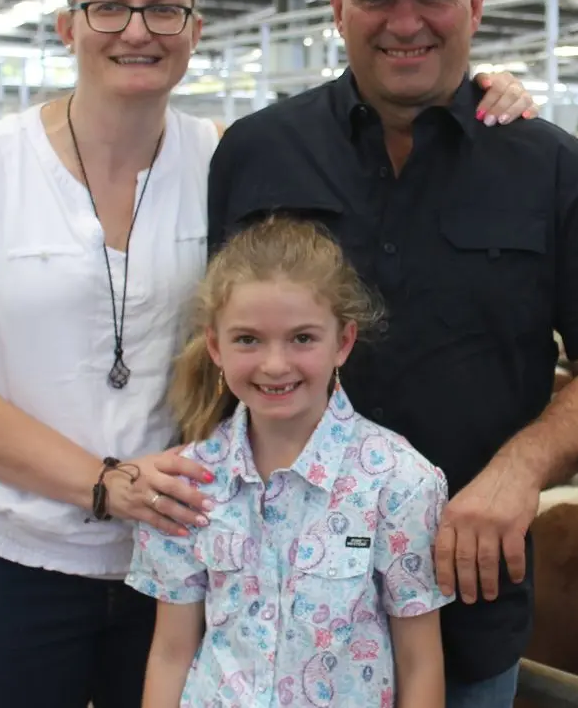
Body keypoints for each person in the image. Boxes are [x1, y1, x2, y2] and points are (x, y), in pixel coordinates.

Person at [0, 0, 537, 707]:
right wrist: (102, 482)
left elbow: (350, 181)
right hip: (8, 555)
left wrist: (478, 87)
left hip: (185, 559)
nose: (137, 29)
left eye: (164, 9)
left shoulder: (228, 155)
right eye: (109, 7)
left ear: (194, 30)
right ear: (67, 25)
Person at [205, 0, 578, 707]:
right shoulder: (255, 152)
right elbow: (208, 351)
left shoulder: (550, 168)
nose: (404, 20)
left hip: (461, 600)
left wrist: (518, 469)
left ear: (475, 2)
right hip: (267, 608)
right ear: (335, 8)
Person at [127, 215, 454, 708]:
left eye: (302, 338)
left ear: (343, 342)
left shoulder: (400, 481)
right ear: (215, 345)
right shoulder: (188, 483)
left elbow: (420, 660)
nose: (275, 364)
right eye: (247, 339)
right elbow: (172, 652)